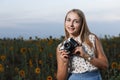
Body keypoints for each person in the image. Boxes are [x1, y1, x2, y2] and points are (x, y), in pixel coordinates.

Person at [56, 9, 108, 80]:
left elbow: (105, 65)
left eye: (76, 21)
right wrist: (65, 63)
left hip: (94, 77)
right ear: (65, 22)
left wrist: (85, 55)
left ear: (82, 24)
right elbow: (60, 78)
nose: (71, 24)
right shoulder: (61, 47)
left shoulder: (92, 39)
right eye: (68, 20)